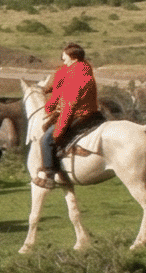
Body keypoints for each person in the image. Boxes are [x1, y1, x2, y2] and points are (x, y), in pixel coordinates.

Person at [37, 42, 103, 182]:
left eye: (65, 56)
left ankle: (49, 175)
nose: (62, 58)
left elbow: (69, 107)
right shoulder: (82, 69)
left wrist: (58, 132)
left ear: (73, 58)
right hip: (90, 112)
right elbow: (59, 82)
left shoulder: (74, 78)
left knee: (46, 139)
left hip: (79, 114)